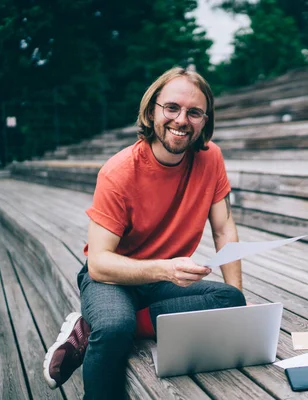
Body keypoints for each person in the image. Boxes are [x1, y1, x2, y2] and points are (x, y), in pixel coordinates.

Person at [42, 66, 246, 399]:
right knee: (113, 327)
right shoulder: (119, 172)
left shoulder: (212, 159)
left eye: (194, 112)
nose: (182, 120)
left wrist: (239, 306)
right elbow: (99, 264)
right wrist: (164, 268)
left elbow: (223, 228)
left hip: (162, 281)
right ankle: (98, 326)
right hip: (113, 277)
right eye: (172, 108)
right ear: (152, 111)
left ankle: (86, 326)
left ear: (205, 120)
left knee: (230, 299)